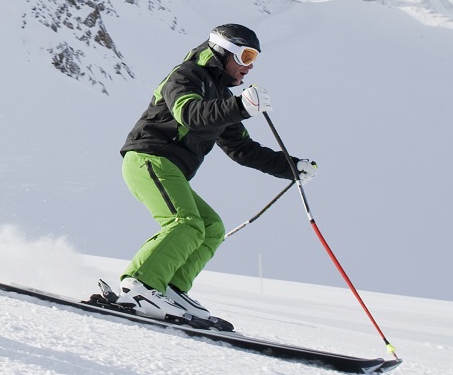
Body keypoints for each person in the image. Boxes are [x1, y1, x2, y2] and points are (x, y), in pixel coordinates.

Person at [110, 23, 317, 328]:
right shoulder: (186, 75)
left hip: (170, 170)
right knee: (186, 223)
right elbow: (190, 115)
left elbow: (242, 149)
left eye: (254, 59)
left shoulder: (219, 97)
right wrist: (239, 106)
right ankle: (140, 286)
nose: (249, 67)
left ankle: (170, 287)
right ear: (223, 51)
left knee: (210, 227)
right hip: (148, 159)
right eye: (245, 56)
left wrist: (292, 167)